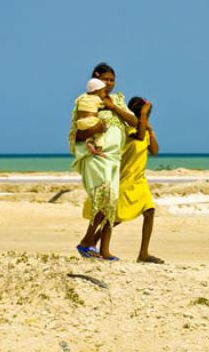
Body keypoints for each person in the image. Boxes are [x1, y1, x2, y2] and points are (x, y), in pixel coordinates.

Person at [69, 63, 136, 260]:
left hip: (115, 158)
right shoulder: (87, 100)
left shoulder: (118, 100)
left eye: (112, 80)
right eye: (105, 79)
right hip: (97, 157)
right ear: (96, 80)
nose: (109, 83)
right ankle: (87, 242)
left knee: (110, 202)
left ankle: (93, 246)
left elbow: (133, 122)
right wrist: (98, 127)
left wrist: (113, 107)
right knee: (104, 195)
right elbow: (79, 132)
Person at [116, 96, 164, 264]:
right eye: (145, 113)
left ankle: (143, 254)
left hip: (139, 179)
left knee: (149, 211)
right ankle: (92, 242)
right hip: (125, 178)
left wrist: (151, 131)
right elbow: (139, 135)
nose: (147, 116)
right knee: (116, 218)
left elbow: (155, 151)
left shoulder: (145, 130)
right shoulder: (129, 130)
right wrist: (143, 119)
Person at [75, 78, 108, 157]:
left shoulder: (81, 98)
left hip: (80, 122)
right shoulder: (97, 99)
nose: (104, 94)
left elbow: (76, 102)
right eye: (103, 91)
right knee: (100, 133)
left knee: (91, 134)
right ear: (96, 91)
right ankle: (98, 150)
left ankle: (89, 142)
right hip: (91, 120)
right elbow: (103, 106)